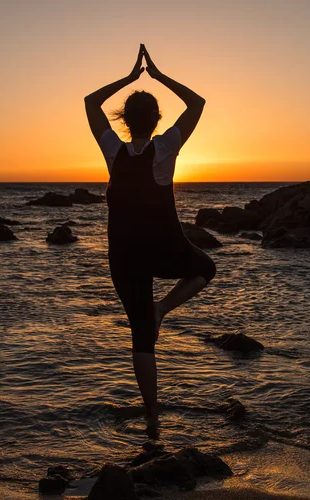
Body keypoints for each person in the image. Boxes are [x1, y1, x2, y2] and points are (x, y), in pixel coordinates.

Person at [84, 44, 216, 437]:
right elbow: (197, 103)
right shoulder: (166, 146)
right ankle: (163, 308)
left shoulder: (113, 150)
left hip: (124, 255)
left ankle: (153, 420)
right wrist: (156, 76)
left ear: (125, 121)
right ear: (157, 119)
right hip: (164, 248)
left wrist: (128, 78)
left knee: (141, 336)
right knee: (205, 268)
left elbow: (91, 101)